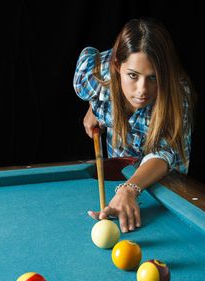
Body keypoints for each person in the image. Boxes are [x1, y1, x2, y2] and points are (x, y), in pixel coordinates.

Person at [73, 17, 196, 233]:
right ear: (118, 66)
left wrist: (129, 189)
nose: (142, 90)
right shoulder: (90, 79)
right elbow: (87, 54)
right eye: (132, 75)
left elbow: (164, 153)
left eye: (153, 78)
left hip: (163, 186)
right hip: (120, 174)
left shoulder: (178, 95)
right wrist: (94, 107)